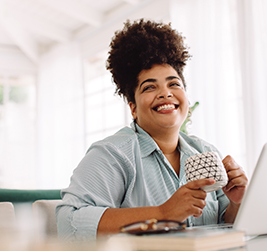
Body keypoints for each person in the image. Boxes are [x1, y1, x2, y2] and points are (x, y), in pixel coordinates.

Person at [56, 19, 248, 241]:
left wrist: (237, 202)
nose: (165, 93)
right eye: (149, 87)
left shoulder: (205, 151)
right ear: (133, 108)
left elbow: (226, 227)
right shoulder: (112, 154)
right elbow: (69, 223)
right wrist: (161, 214)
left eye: (174, 84)